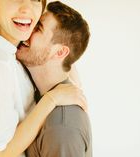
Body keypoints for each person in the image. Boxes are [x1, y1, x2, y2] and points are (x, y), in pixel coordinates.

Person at [0, 0, 87, 157]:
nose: (26, 8)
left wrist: (71, 78)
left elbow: (59, 52)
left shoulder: (11, 50)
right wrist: (51, 99)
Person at [16, 1, 92, 157]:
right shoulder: (45, 93)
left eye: (38, 28)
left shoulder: (61, 127)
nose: (28, 31)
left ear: (59, 53)